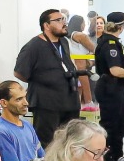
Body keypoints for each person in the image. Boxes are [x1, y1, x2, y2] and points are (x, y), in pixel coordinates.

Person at [13, 9, 80, 145]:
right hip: (47, 104)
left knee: (69, 141)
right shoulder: (33, 46)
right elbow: (19, 72)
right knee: (48, 143)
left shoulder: (64, 42)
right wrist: (40, 81)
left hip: (69, 100)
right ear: (46, 25)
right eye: (59, 20)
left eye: (64, 19)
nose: (64, 23)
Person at [92, 11, 124, 161]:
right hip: (110, 89)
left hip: (113, 88)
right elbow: (115, 70)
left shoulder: (108, 41)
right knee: (113, 125)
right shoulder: (111, 44)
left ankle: (116, 156)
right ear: (121, 27)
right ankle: (111, 158)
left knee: (119, 124)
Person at [0, 81, 46, 161]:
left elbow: (43, 157)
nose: (26, 103)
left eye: (25, 97)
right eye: (19, 99)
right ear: (4, 103)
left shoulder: (27, 125)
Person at [68, 14, 97, 109]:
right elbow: (95, 49)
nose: (85, 25)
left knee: (78, 95)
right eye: (84, 23)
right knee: (86, 97)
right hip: (81, 67)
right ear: (80, 24)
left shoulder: (67, 36)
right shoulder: (80, 35)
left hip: (72, 67)